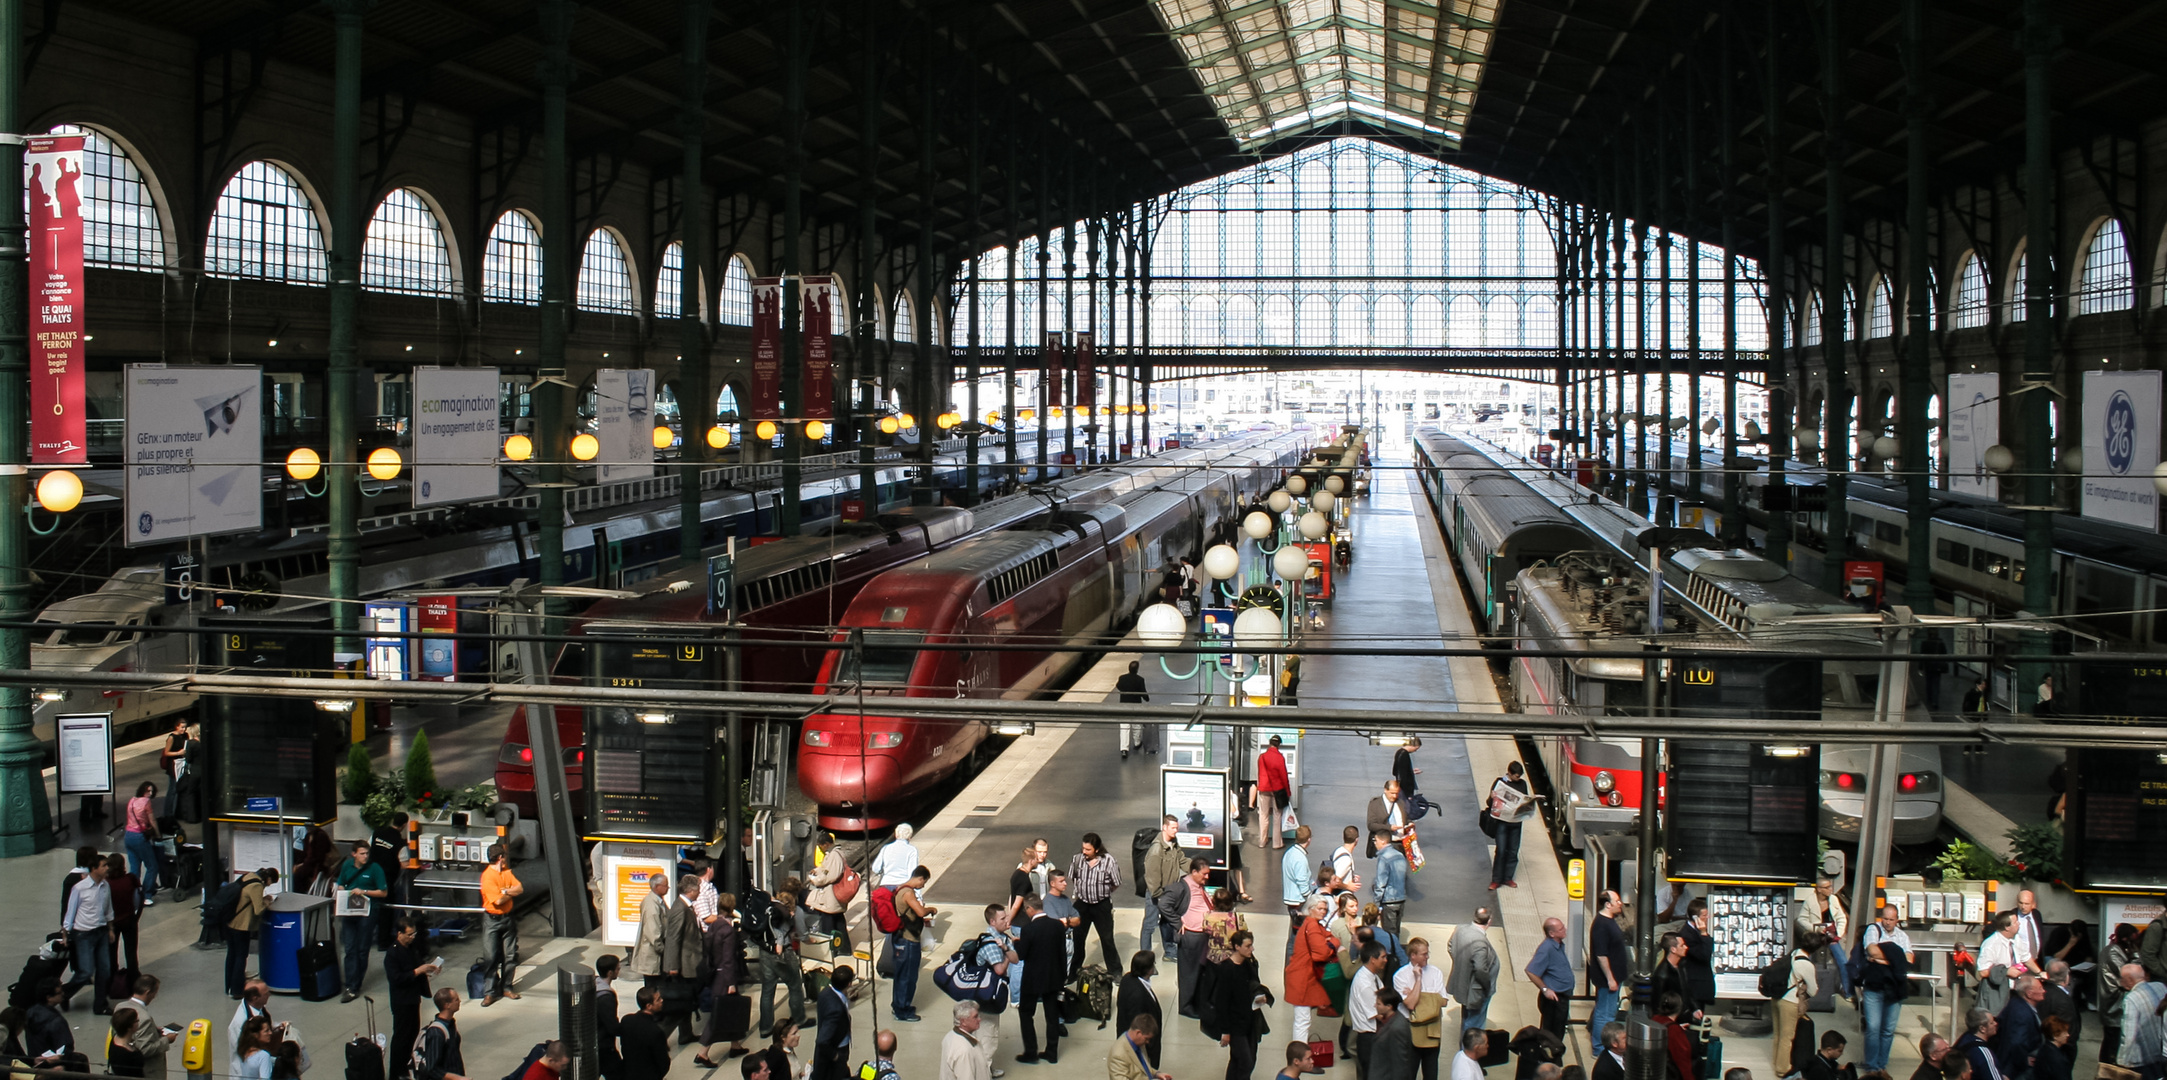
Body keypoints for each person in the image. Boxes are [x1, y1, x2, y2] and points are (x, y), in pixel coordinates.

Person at [1204, 930, 1274, 1080]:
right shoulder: (1226, 969)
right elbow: (1221, 1002)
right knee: (1246, 1062)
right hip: (1235, 1026)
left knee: (1239, 1060)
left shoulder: (1248, 964)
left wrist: (1261, 996)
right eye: (1248, 946)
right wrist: (1225, 1031)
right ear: (1237, 946)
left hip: (1248, 1022)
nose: (1252, 949)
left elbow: (1254, 985)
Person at [695, 893, 751, 1066]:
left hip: (715, 974)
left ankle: (735, 1044)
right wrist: (731, 983)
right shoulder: (728, 931)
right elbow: (728, 959)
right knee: (720, 1014)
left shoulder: (714, 926)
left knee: (731, 1010)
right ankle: (702, 1053)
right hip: (725, 977)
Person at [1861, 904, 1915, 1072]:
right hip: (1874, 987)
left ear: (1897, 920)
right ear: (1880, 917)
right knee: (1873, 1028)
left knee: (1888, 1030)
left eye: (1891, 920)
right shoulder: (1873, 930)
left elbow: (1909, 960)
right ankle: (1872, 1066)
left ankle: (1881, 1065)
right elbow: (1871, 950)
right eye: (1885, 918)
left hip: (1895, 989)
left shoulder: (1903, 936)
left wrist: (1882, 959)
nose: (1887, 923)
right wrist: (1895, 958)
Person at [384, 916, 439, 1080]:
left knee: (413, 1033)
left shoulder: (412, 947)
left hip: (413, 998)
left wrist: (428, 969)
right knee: (401, 1037)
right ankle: (396, 1072)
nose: (412, 937)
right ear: (399, 933)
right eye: (409, 934)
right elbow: (397, 978)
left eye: (414, 934)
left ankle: (408, 1066)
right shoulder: (392, 954)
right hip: (401, 1000)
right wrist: (418, 971)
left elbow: (418, 965)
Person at [334, 841, 390, 1002]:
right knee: (350, 948)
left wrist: (364, 891)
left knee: (362, 949)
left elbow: (383, 892)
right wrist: (342, 890)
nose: (365, 856)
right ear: (354, 854)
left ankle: (355, 985)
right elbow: (341, 883)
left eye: (367, 853)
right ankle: (350, 983)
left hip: (367, 912)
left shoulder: (375, 869)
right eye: (362, 853)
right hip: (349, 912)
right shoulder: (347, 866)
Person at [63, 851, 116, 1014]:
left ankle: (100, 1005)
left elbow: (108, 909)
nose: (107, 868)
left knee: (104, 969)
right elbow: (70, 911)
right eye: (104, 865)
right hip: (83, 934)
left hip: (100, 931)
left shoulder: (105, 885)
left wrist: (110, 928)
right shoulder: (79, 888)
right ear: (94, 868)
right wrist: (66, 932)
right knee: (86, 971)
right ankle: (65, 993)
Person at [1014, 895, 1065, 1066]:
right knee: (1052, 1016)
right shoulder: (1057, 926)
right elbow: (1062, 953)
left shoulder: (1028, 929)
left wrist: (1016, 944)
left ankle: (1031, 1052)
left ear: (1030, 909)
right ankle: (1052, 1052)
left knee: (1026, 1014)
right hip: (1053, 977)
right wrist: (1062, 977)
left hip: (1032, 979)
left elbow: (1022, 955)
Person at [752, 885, 807, 1040]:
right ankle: (799, 1018)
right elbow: (784, 937)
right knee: (795, 985)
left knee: (768, 990)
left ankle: (765, 1027)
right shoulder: (786, 915)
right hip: (783, 954)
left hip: (765, 952)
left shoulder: (768, 911)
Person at [968, 905, 1015, 1077]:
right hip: (986, 998)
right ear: (992, 921)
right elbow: (999, 970)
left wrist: (1007, 950)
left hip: (982, 995)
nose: (1006, 921)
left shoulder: (1001, 938)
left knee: (981, 1035)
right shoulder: (992, 944)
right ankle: (983, 1073)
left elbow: (1016, 957)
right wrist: (1006, 952)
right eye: (1002, 919)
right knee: (988, 1037)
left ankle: (986, 1069)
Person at [1285, 896, 1338, 1048]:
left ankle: (1300, 1053)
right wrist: (1334, 943)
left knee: (1302, 1019)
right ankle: (1300, 1054)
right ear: (1310, 909)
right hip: (1303, 979)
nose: (1323, 912)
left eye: (1325, 909)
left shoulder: (1309, 924)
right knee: (1302, 1020)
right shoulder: (1313, 926)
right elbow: (1321, 953)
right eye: (1320, 909)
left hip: (1301, 977)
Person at [1067, 833, 1123, 975]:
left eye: (1088, 850)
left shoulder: (1109, 861)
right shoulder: (1077, 859)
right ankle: (1073, 971)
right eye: (1083, 849)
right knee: (1078, 940)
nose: (1084, 852)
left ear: (1097, 849)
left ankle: (1115, 972)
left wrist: (1102, 892)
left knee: (1107, 940)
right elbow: (1073, 877)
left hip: (1101, 906)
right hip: (1082, 905)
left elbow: (1116, 883)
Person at [1392, 938, 1447, 1080]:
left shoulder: (1436, 972)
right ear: (1413, 955)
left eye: (1427, 953)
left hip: (1432, 1028)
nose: (1427, 957)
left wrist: (1415, 995)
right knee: (1408, 1073)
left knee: (1431, 1074)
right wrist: (1418, 981)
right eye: (1424, 954)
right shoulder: (1400, 975)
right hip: (1410, 1029)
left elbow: (1443, 1001)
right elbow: (1410, 1005)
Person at [1771, 931, 1821, 1078]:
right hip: (1790, 1002)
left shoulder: (1792, 954)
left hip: (1776, 997)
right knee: (1787, 1037)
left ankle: (1777, 1061)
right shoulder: (1806, 964)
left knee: (1778, 1035)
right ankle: (1782, 1069)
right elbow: (1813, 991)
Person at [891, 866, 937, 1022]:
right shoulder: (908, 893)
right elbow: (920, 912)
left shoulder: (899, 889)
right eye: (923, 882)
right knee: (908, 976)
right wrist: (931, 909)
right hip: (909, 940)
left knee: (900, 974)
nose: (922, 886)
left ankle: (897, 1005)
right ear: (920, 878)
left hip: (899, 937)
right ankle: (903, 1010)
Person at [112, 974, 176, 1080]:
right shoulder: (144, 1017)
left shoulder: (120, 1006)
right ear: (147, 992)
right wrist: (167, 1040)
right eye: (155, 993)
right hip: (149, 1072)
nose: (154, 997)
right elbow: (144, 1049)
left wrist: (153, 1030)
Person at [1172, 858, 1213, 1018]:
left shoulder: (1199, 887)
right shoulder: (1181, 887)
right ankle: (1186, 1006)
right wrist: (1177, 923)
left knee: (1199, 971)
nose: (1207, 877)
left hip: (1202, 936)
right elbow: (1164, 905)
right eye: (1204, 874)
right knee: (1189, 972)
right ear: (1194, 872)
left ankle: (1196, 1002)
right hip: (1191, 936)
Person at [1796, 876, 1849, 995]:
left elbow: (1841, 918)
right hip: (1816, 936)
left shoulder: (1834, 899)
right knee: (1809, 961)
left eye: (1830, 886)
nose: (1830, 889)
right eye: (1827, 887)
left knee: (1843, 962)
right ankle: (1806, 990)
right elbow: (1801, 919)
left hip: (1831, 936)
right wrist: (1815, 928)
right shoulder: (1810, 901)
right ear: (1819, 889)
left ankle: (1847, 991)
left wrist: (1838, 934)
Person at [1448, 911, 1499, 1034]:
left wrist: (1461, 963)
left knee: (1467, 1017)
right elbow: (1481, 970)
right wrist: (1486, 986)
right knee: (1474, 1025)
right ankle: (1469, 1050)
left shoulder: (1460, 929)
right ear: (1489, 921)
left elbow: (1450, 946)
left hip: (1463, 984)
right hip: (1477, 990)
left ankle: (1465, 1046)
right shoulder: (1480, 943)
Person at [1143, 816, 1185, 963]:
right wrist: (1158, 896)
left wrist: (1196, 869)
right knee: (1149, 925)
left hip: (1168, 893)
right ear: (1164, 827)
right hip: (1157, 895)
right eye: (1173, 827)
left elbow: (1182, 860)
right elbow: (1152, 876)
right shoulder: (1156, 850)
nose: (1176, 830)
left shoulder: (1173, 844)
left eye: (1177, 827)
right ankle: (1145, 959)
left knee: (1167, 923)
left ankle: (1170, 952)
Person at [2115, 963, 2167, 1078]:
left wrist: (2122, 1061)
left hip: (2142, 1058)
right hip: (2161, 1052)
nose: (2120, 981)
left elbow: (2129, 1035)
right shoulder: (2160, 986)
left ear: (2129, 980)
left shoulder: (2131, 999)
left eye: (2121, 978)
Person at [1587, 891, 1627, 1039]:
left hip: (1615, 976)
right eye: (1617, 901)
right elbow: (1601, 955)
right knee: (1605, 1014)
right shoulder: (1601, 925)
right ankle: (1599, 1046)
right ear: (1608, 904)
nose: (1620, 903)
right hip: (1608, 980)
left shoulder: (1609, 920)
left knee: (1607, 1012)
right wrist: (1610, 978)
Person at [1525, 918, 1573, 1040]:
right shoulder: (1546, 948)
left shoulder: (1558, 945)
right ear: (1552, 934)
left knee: (1559, 1030)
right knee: (1551, 1034)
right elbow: (1530, 971)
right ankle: (1548, 1056)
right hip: (1554, 999)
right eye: (1561, 929)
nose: (1565, 930)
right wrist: (1545, 989)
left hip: (1562, 997)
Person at [1487, 763, 1532, 890]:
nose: (1518, 779)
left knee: (1513, 851)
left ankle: (1508, 877)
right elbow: (1489, 803)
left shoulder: (1522, 784)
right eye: (1516, 776)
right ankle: (1496, 880)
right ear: (1510, 773)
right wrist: (1492, 798)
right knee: (1501, 850)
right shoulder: (1500, 783)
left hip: (1516, 823)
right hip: (1502, 822)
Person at [1348, 943, 1389, 1080]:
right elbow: (1377, 1014)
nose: (1386, 960)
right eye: (1383, 957)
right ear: (1373, 959)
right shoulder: (1364, 984)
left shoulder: (1373, 977)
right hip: (1368, 1038)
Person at [1116, 953, 1164, 1071]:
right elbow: (1138, 1025)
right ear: (1148, 970)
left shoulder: (1127, 979)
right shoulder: (1139, 995)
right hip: (1140, 1048)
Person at [371, 812, 411, 948]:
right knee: (386, 911)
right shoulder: (400, 843)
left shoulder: (377, 833)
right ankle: (383, 941)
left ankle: (371, 935)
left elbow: (367, 847)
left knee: (372, 907)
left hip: (371, 875)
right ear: (404, 825)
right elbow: (405, 864)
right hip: (387, 878)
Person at [1992, 976, 2043, 1080]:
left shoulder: (2015, 1003)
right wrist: (2024, 1060)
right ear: (2029, 993)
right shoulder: (2022, 1014)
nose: (2044, 990)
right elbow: (2017, 1043)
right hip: (2015, 1070)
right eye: (2040, 988)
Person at [412, 989, 468, 1080]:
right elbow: (432, 1069)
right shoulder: (436, 1033)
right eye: (456, 999)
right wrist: (457, 1078)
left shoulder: (450, 1025)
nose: (460, 1001)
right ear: (447, 1005)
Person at [618, 986, 672, 1080]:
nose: (662, 1000)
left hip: (628, 1073)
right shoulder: (655, 1031)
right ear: (649, 1006)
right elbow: (663, 1063)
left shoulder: (626, 1020)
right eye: (658, 999)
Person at [811, 967, 856, 1080]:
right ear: (849, 984)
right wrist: (835, 1056)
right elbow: (822, 1040)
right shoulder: (835, 1010)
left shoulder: (825, 993)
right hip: (838, 1049)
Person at [2104, 925, 2141, 1060]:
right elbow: (2127, 972)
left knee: (2111, 1040)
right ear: (2125, 938)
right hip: (2114, 1003)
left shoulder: (2118, 949)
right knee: (2112, 1041)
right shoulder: (2113, 951)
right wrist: (2136, 954)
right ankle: (2108, 1067)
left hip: (2116, 1001)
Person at [107, 852, 145, 978]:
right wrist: (136, 917)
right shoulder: (131, 879)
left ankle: (113, 978)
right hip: (129, 919)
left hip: (112, 923)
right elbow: (140, 896)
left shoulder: (106, 884)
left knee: (111, 952)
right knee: (131, 951)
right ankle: (133, 977)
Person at [122, 781, 162, 899]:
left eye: (151, 791)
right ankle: (147, 894)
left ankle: (134, 894)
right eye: (148, 791)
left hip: (128, 835)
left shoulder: (132, 800)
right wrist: (157, 834)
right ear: (143, 791)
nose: (149, 794)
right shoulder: (146, 802)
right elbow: (152, 820)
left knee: (134, 867)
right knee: (152, 866)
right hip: (140, 837)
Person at [1282, 826, 1316, 957]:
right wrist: (1310, 897)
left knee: (1294, 933)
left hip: (1291, 899)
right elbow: (1302, 882)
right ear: (1309, 840)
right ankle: (1293, 961)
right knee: (1296, 936)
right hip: (1298, 901)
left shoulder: (1290, 852)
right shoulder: (1300, 858)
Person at [1255, 735, 1291, 849]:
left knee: (1263, 815)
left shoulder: (1262, 757)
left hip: (1264, 788)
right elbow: (1283, 776)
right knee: (1277, 816)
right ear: (1278, 745)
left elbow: (1260, 773)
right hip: (1277, 789)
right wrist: (1288, 791)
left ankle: (1262, 841)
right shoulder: (1280, 757)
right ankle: (1277, 843)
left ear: (1269, 743)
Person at [1371, 990, 1415, 1080]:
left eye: (1378, 1004)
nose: (1375, 1006)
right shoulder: (1389, 1021)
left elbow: (1400, 1064)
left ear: (1389, 1007)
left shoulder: (1397, 1028)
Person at [1371, 831, 1408, 939]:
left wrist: (1376, 904)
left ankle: (1391, 955)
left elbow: (1381, 882)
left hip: (1389, 900)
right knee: (1396, 932)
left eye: (1375, 840)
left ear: (1383, 841)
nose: (1374, 843)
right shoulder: (1400, 855)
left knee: (1388, 935)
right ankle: (1396, 952)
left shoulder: (1383, 858)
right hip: (1400, 898)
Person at [942, 1002, 990, 1080]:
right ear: (963, 1021)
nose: (979, 1019)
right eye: (975, 1017)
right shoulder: (964, 1051)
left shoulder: (949, 1036)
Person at [1204, 888, 1250, 966]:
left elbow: (1206, 931)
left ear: (1214, 902)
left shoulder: (1208, 917)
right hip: (1233, 956)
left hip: (1214, 958)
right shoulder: (1238, 917)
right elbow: (1244, 932)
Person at [1391, 737, 1431, 821]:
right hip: (1405, 789)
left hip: (1401, 787)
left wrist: (1410, 772)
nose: (1415, 751)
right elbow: (1402, 775)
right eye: (1416, 748)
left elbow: (1396, 771)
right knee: (1407, 810)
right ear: (1413, 745)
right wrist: (1408, 793)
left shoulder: (1399, 753)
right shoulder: (1404, 754)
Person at [2038, 960, 2079, 1044]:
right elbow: (2065, 1029)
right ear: (2066, 977)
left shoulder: (2040, 991)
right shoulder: (2063, 1000)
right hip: (2058, 1047)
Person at [1956, 1009, 2002, 1080]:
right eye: (1992, 1023)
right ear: (1982, 1028)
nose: (1996, 1024)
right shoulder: (1985, 1055)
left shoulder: (1964, 1038)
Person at [1366, 781, 1410, 849]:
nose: (1394, 796)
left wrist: (1410, 823)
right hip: (1385, 844)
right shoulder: (1375, 804)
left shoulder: (1400, 803)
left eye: (1396, 793)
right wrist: (1389, 827)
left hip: (1400, 843)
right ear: (1385, 790)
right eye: (1392, 793)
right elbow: (1371, 825)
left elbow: (1406, 819)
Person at [107, 1009, 149, 1078]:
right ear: (129, 1027)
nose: (138, 1022)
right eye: (136, 1021)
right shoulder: (131, 1055)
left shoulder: (115, 1039)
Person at [234, 1016, 277, 1080]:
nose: (270, 1033)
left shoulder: (243, 1053)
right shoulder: (263, 1055)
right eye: (266, 1031)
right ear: (256, 1035)